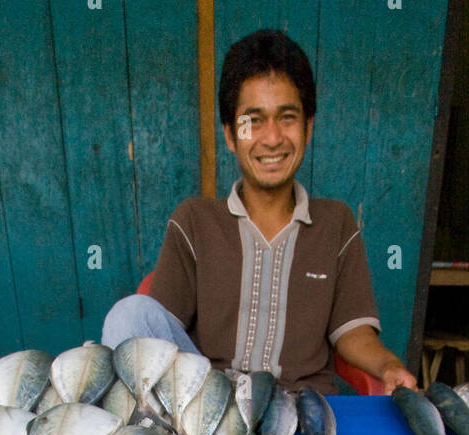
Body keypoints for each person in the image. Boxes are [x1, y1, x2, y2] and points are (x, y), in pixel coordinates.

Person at [102, 28, 417, 395]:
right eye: (253, 120)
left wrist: (389, 366)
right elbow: (154, 335)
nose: (272, 138)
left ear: (308, 127)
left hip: (302, 410)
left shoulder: (336, 224)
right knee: (129, 314)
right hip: (212, 404)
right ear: (230, 134)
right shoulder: (194, 221)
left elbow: (353, 332)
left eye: (287, 117)